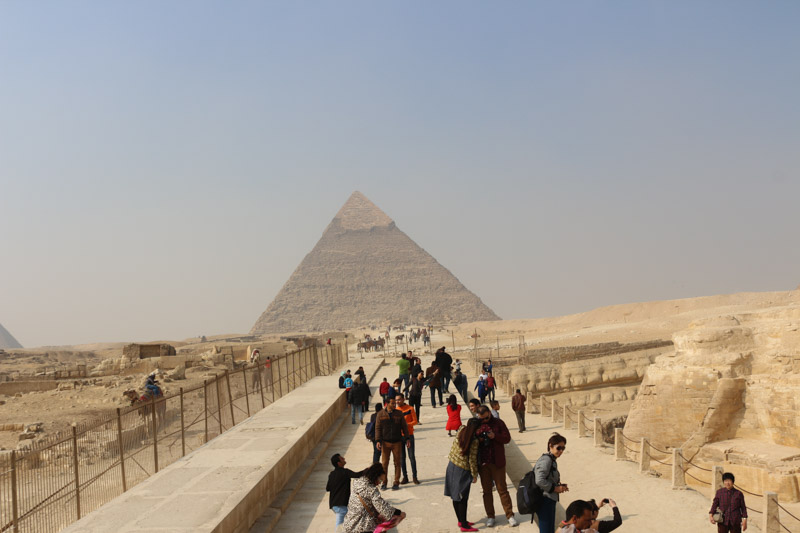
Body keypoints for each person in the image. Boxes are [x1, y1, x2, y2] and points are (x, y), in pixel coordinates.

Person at [475, 406, 518, 527]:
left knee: (502, 490)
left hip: (497, 462)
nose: (485, 420)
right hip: (483, 463)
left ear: (489, 413)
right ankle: (490, 516)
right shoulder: (478, 424)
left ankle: (510, 515)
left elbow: (507, 438)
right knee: (487, 491)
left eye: (486, 417)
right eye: (482, 419)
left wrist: (495, 436)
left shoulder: (499, 423)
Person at [341, 463, 406, 533]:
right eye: (380, 480)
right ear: (375, 476)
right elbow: (382, 507)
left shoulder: (358, 482)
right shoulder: (371, 489)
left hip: (350, 524)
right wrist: (398, 513)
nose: (379, 483)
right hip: (362, 526)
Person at [445, 418, 481, 532]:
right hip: (463, 470)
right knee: (462, 498)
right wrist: (475, 475)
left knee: (455, 496)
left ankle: (461, 520)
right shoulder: (474, 441)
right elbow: (472, 459)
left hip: (452, 466)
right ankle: (464, 525)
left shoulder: (461, 430)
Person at [534, 433, 569, 533]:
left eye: (563, 448)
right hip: (544, 500)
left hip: (549, 500)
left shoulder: (552, 459)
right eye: (559, 448)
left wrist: (559, 486)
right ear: (550, 446)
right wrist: (555, 488)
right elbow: (539, 480)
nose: (561, 451)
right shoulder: (546, 460)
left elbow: (548, 478)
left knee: (549, 529)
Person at [375, 397, 410, 490]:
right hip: (385, 443)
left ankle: (396, 482)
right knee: (384, 464)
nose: (395, 405)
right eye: (392, 403)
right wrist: (378, 440)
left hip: (397, 442)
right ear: (387, 403)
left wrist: (407, 438)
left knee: (397, 463)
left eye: (395, 403)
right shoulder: (380, 414)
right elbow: (378, 428)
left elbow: (404, 427)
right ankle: (384, 482)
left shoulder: (399, 413)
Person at [326, 453, 359, 531]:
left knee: (345, 525)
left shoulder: (332, 474)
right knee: (339, 527)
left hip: (334, 504)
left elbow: (328, 488)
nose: (344, 459)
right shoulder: (345, 472)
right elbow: (357, 475)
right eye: (341, 459)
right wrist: (369, 470)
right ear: (339, 463)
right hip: (341, 505)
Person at [395, 394, 420, 485]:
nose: (397, 402)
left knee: (411, 457)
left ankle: (415, 476)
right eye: (396, 400)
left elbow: (415, 421)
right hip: (399, 437)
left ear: (403, 399)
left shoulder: (410, 409)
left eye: (399, 400)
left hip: (409, 435)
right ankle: (405, 477)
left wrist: (405, 425)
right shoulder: (395, 411)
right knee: (402, 458)